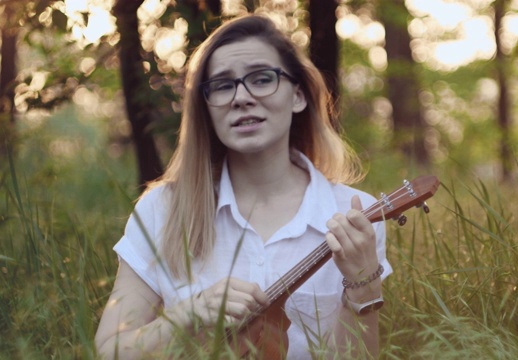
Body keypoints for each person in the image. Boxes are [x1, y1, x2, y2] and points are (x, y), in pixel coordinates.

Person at [95, 14, 391, 359]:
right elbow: (110, 350)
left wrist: (363, 287)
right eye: (222, 85)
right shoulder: (162, 209)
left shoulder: (353, 213)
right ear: (205, 108)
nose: (241, 97)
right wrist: (187, 314)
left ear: (298, 95)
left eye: (262, 79)